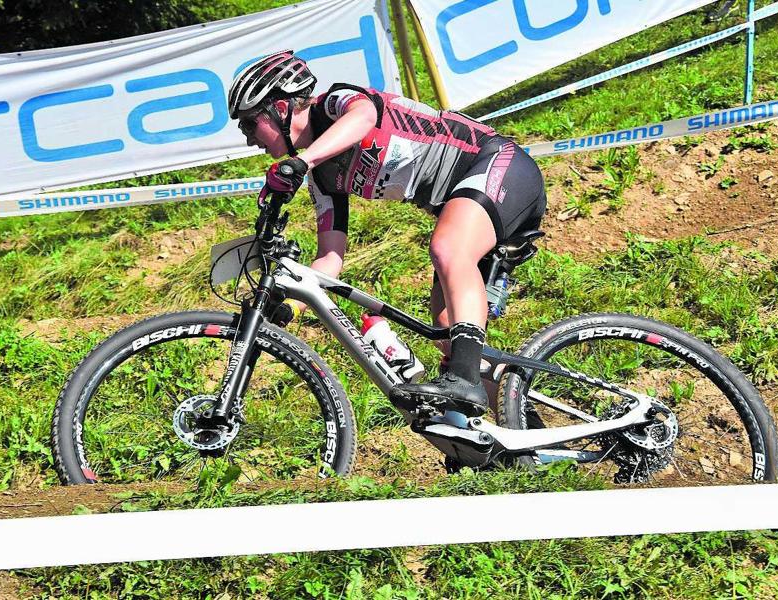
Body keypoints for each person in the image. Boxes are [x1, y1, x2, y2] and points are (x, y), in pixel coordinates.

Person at [227, 50, 547, 417]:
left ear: (281, 109)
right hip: (468, 199)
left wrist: (302, 161)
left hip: (496, 163)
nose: (250, 139)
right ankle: (521, 431)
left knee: (447, 248)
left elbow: (364, 116)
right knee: (449, 331)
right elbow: (329, 259)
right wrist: (288, 308)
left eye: (250, 124)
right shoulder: (322, 179)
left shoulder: (334, 104)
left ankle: (467, 384)